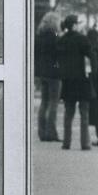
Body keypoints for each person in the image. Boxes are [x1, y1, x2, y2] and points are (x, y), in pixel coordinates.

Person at [57, 14, 93, 151]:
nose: (79, 25)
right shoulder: (82, 40)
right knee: (84, 114)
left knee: (68, 114)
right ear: (73, 25)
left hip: (68, 81)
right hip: (82, 80)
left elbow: (57, 60)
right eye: (77, 23)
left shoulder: (62, 41)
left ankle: (66, 142)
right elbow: (91, 56)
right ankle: (85, 143)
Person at [34, 11, 61, 141]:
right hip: (54, 74)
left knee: (44, 102)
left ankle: (42, 132)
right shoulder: (55, 37)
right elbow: (59, 56)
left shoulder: (38, 36)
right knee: (53, 103)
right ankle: (51, 132)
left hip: (41, 73)